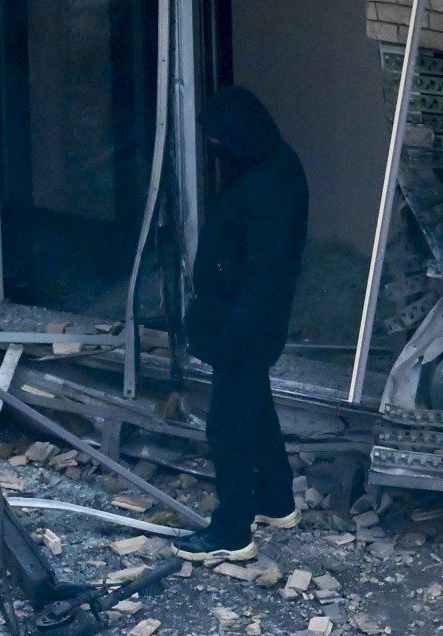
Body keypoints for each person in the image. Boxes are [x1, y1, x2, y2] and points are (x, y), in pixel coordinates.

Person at [172, 86, 309, 562]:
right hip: (244, 325)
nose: (214, 150)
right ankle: (277, 500)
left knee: (228, 428)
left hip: (244, 329)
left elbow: (264, 275)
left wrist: (235, 338)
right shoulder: (269, 164)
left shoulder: (266, 186)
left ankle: (231, 532)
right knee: (256, 405)